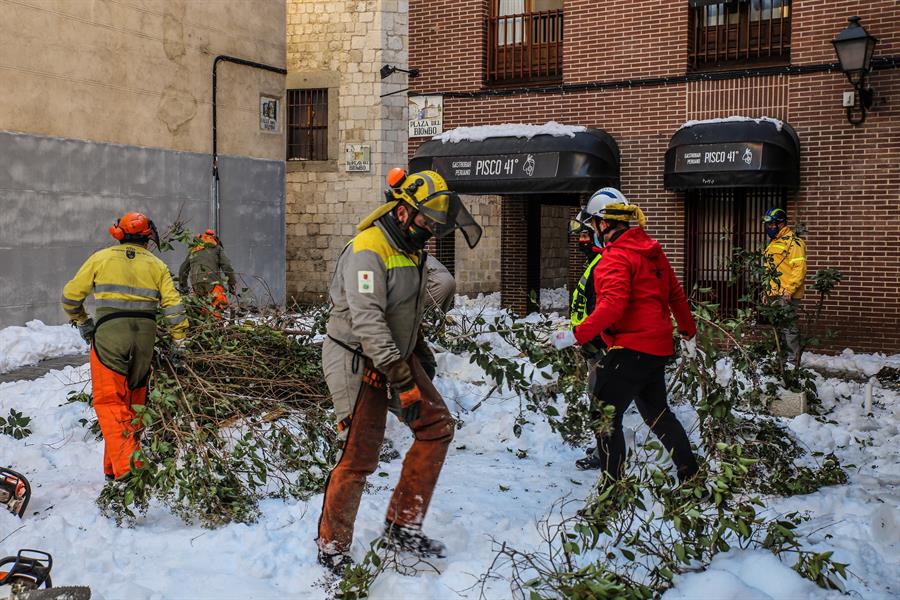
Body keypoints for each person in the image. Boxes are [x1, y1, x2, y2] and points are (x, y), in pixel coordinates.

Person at [316, 168, 482, 574]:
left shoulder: (411, 249)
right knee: (360, 456)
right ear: (404, 211)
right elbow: (368, 322)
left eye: (435, 225)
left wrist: (416, 354)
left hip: (394, 355)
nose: (431, 231)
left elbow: (406, 310)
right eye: (426, 222)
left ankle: (402, 525)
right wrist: (402, 380)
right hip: (358, 358)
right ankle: (332, 546)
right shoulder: (369, 249)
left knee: (436, 426)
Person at [552, 188, 699, 482]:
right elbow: (676, 296)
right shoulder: (653, 253)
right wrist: (688, 333)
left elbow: (612, 307)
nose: (591, 229)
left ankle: (612, 490)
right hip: (656, 350)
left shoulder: (614, 258)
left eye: (592, 223)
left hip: (629, 350)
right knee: (658, 415)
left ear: (603, 224)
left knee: (604, 417)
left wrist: (575, 335)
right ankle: (691, 477)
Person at [62, 212, 187, 481]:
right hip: (145, 338)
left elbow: (70, 297)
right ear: (147, 238)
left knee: (109, 402)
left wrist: (82, 321)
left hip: (110, 336)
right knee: (132, 403)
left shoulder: (101, 258)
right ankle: (113, 468)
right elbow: (174, 307)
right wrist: (180, 341)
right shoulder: (157, 265)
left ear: (118, 233)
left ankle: (130, 468)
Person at [567, 209, 606, 464]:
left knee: (600, 400)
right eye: (578, 236)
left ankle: (605, 453)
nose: (581, 241)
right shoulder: (593, 263)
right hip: (590, 343)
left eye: (585, 235)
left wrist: (593, 342)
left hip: (599, 347)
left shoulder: (601, 266)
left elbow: (600, 310)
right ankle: (604, 448)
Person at [762, 207, 807, 362]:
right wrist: (766, 291)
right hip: (773, 293)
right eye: (768, 225)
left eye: (773, 224)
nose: (770, 227)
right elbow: (769, 269)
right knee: (778, 328)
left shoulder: (794, 243)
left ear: (781, 224)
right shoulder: (773, 243)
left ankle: (792, 361)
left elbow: (799, 268)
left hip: (787, 294)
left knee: (789, 328)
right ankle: (781, 360)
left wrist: (790, 289)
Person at [178, 229, 236, 312]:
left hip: (196, 284)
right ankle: (217, 323)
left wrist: (183, 287)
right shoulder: (217, 248)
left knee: (201, 311)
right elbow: (227, 266)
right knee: (217, 310)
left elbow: (183, 269)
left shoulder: (194, 249)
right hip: (213, 283)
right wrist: (232, 284)